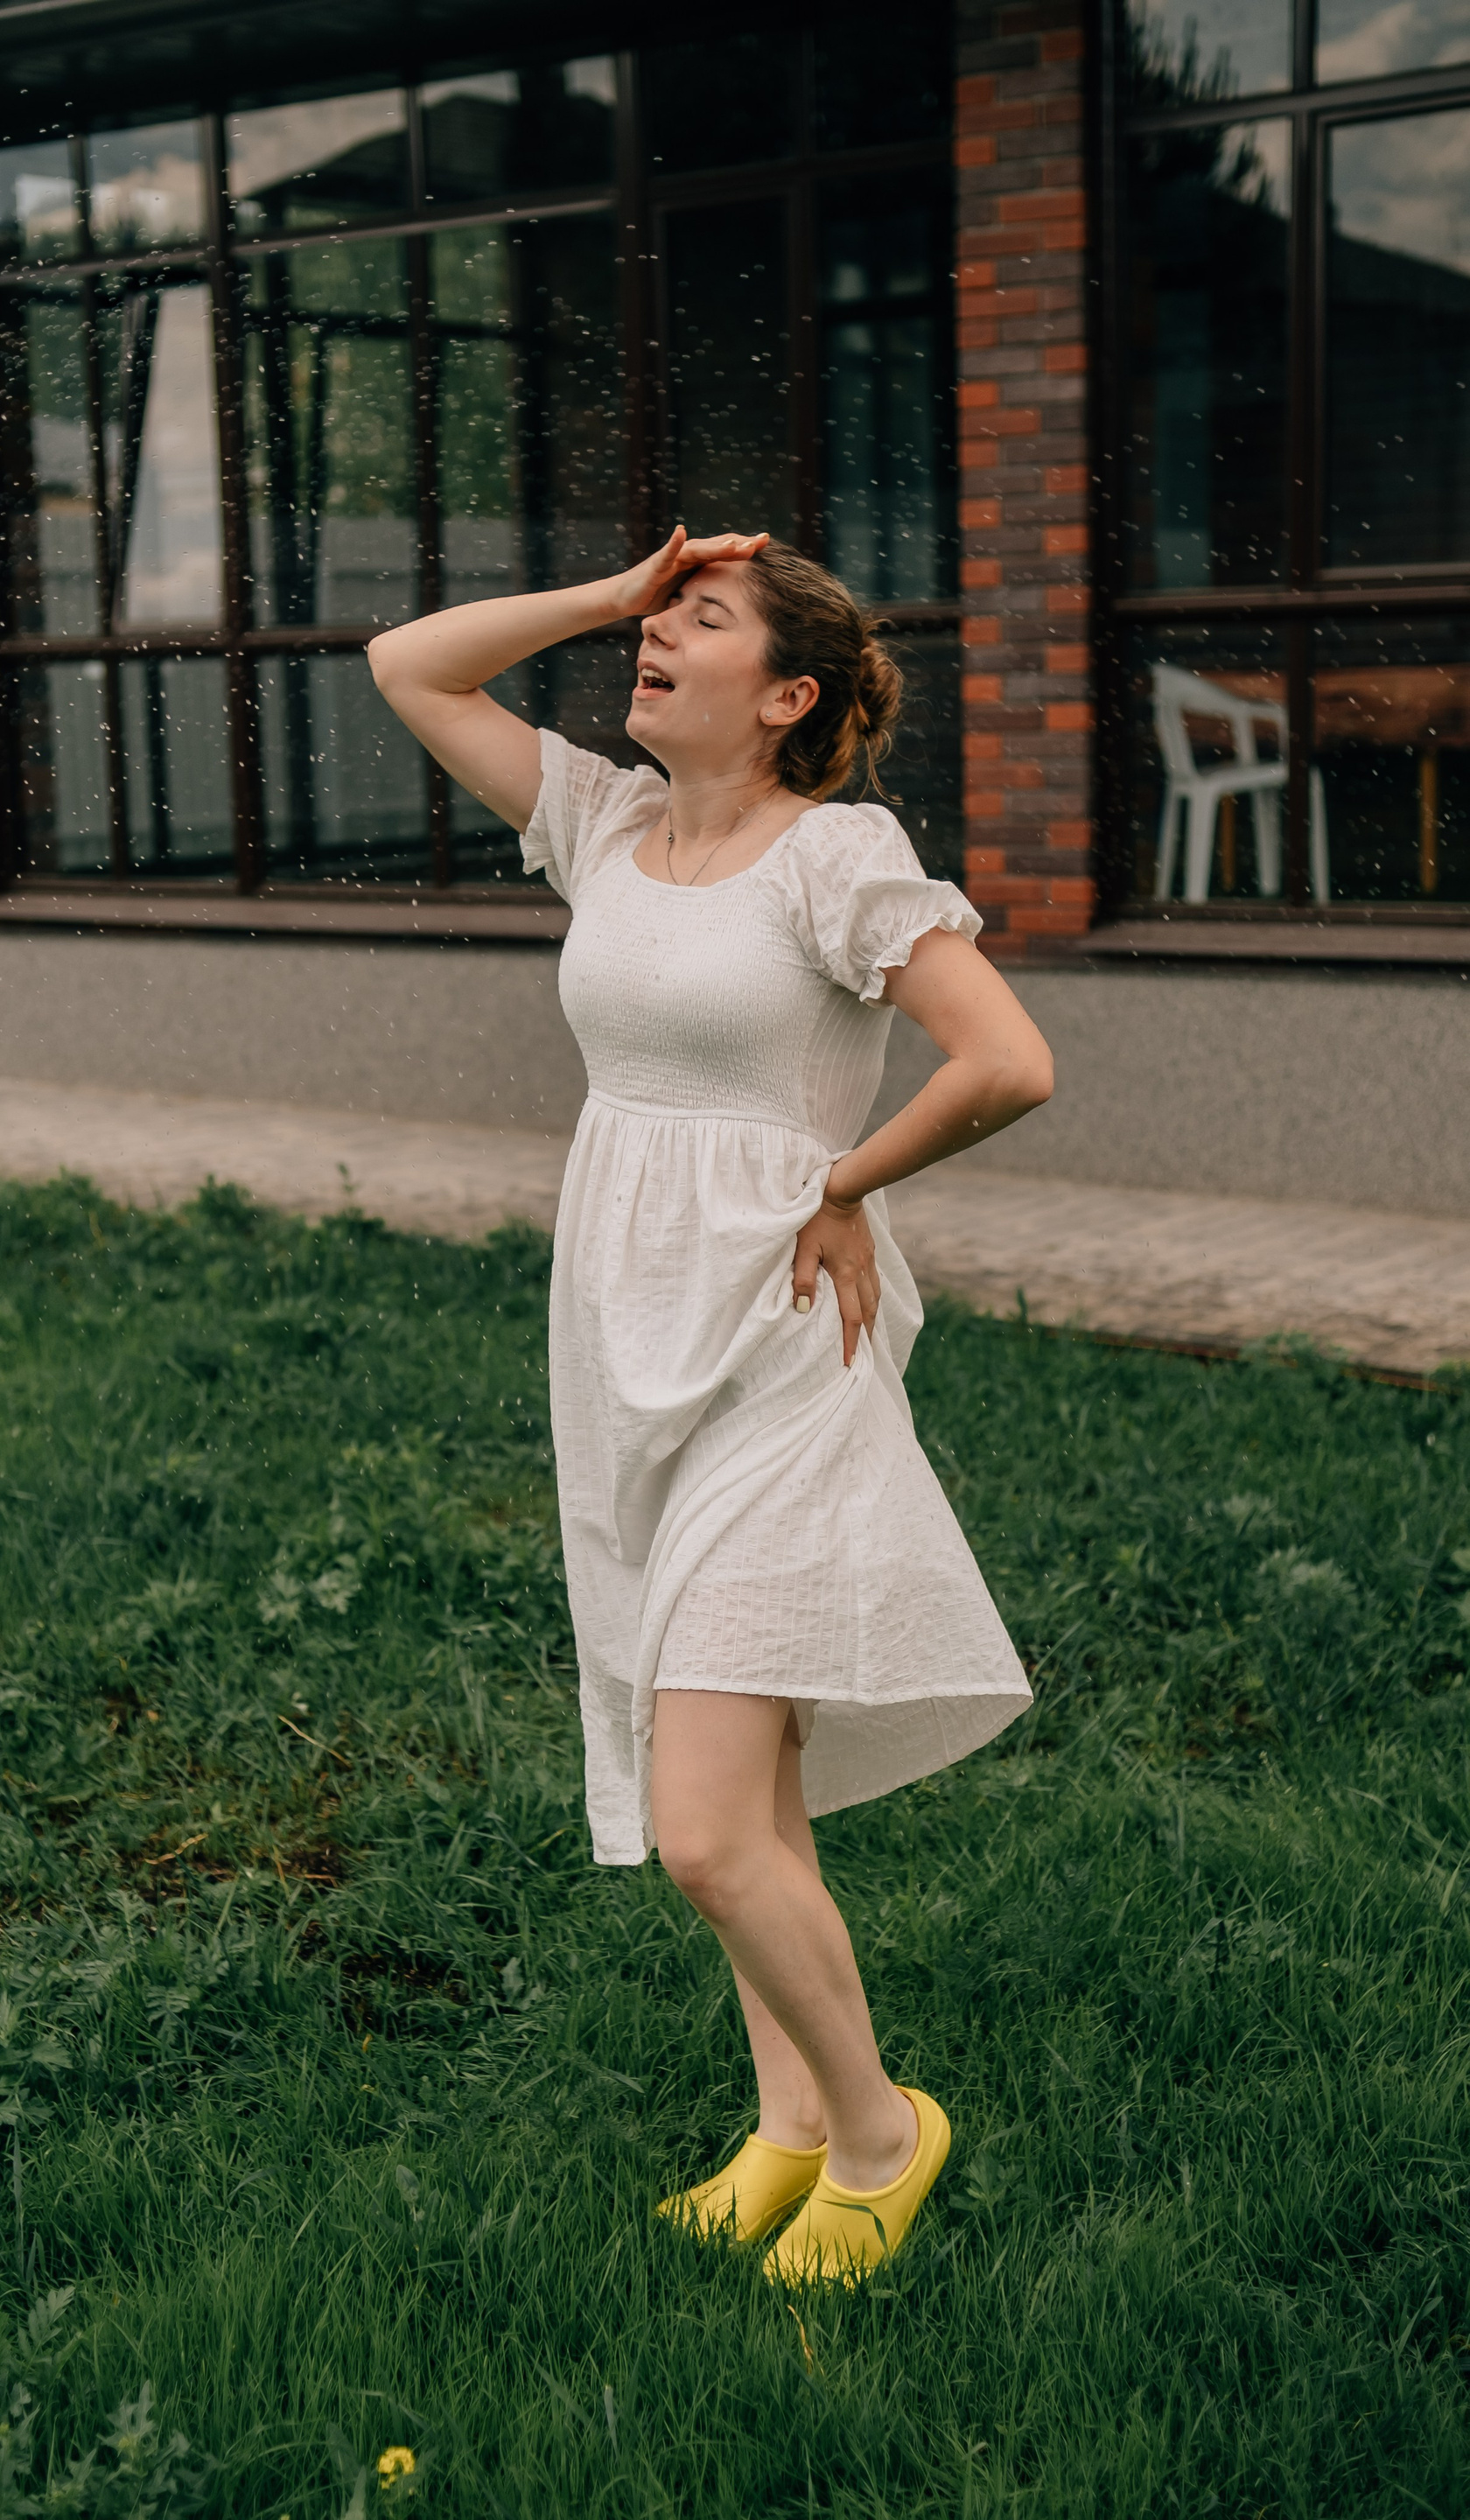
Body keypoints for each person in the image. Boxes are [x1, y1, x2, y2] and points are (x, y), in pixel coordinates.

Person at [369, 528, 1053, 2286]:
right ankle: (789, 2132)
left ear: (788, 693)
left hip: (774, 1347)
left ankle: (884, 2137)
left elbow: (1007, 1060)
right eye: (655, 619)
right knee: (753, 1796)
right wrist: (608, 593)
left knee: (704, 1830)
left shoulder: (836, 858)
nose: (655, 640)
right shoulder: (603, 825)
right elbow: (410, 664)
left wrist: (845, 1184)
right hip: (623, 1346)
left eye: (702, 620)